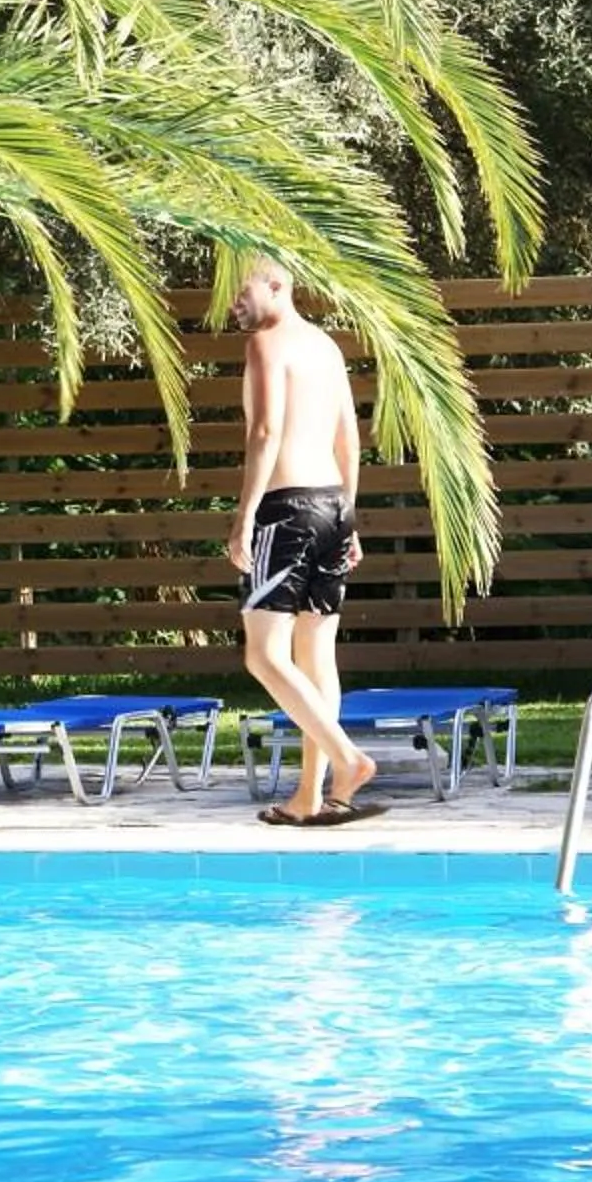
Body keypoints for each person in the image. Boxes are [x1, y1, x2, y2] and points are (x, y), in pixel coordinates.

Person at [223, 259, 379, 827]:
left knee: (264, 655)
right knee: (316, 657)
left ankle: (348, 760)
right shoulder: (326, 347)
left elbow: (264, 432)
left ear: (276, 285)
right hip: (333, 507)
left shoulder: (267, 343)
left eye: (241, 290)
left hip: (286, 511)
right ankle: (310, 796)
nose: (234, 304)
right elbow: (348, 440)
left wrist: (245, 516)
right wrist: (350, 517)